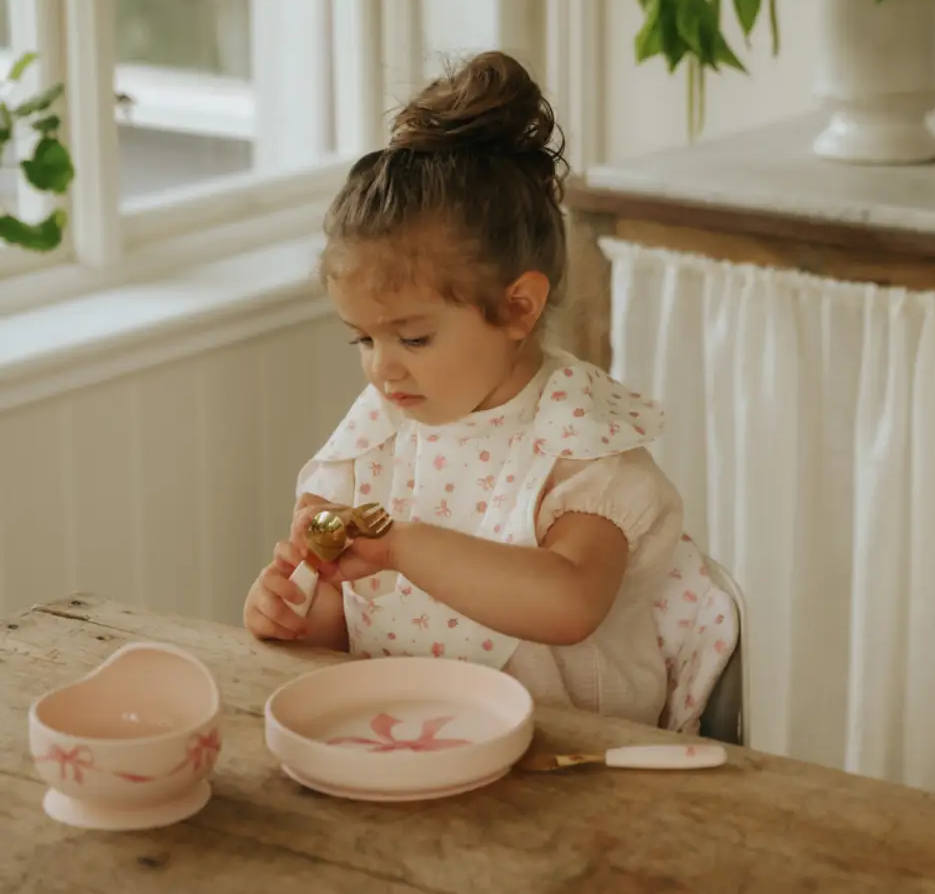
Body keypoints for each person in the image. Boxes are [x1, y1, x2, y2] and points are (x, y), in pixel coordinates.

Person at [242, 50, 689, 725]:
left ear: (518, 308)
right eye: (364, 340)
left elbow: (569, 604)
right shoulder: (378, 436)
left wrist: (402, 546)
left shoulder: (575, 441)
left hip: (579, 762)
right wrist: (295, 612)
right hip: (410, 739)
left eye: (413, 339)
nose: (381, 370)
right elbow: (352, 628)